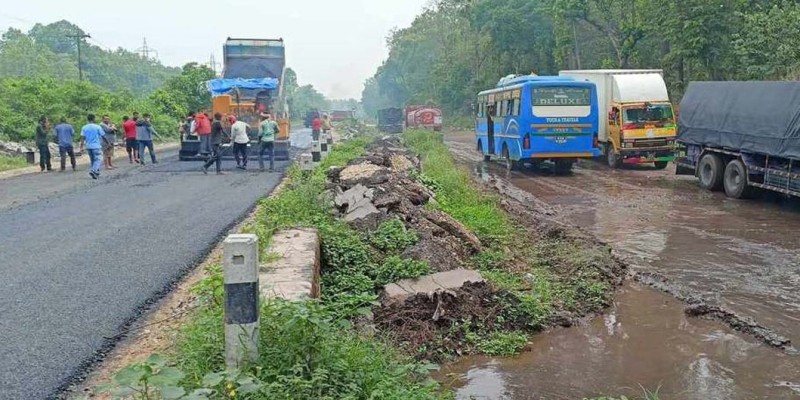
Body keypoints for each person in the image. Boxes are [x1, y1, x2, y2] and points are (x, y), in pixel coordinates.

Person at [79, 114, 104, 179]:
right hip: (96, 146)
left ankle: (96, 173)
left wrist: (81, 147)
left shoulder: (84, 127)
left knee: (93, 160)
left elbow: (82, 138)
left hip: (88, 146)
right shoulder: (97, 127)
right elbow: (103, 135)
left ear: (87, 119)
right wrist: (108, 142)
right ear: (94, 119)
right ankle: (94, 170)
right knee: (98, 159)